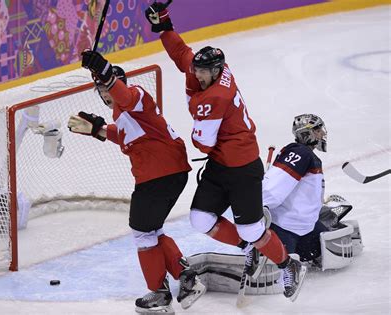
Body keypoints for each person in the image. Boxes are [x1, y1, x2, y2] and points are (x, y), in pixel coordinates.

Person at [144, 0, 306, 300]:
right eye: (198, 71)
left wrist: (193, 105)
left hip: (243, 168)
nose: (197, 75)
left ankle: (287, 265)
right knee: (200, 219)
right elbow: (183, 56)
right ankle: (249, 250)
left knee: (251, 230)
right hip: (221, 164)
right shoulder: (215, 71)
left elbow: (201, 143)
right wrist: (164, 24)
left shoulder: (215, 97)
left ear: (215, 72)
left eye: (202, 73)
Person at [68, 51, 206, 314]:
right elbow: (124, 135)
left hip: (158, 175)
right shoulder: (125, 117)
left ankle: (160, 295)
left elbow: (125, 96)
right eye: (101, 90)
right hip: (168, 173)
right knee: (151, 230)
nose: (105, 94)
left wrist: (105, 71)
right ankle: (187, 280)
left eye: (107, 88)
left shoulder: (136, 96)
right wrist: (97, 129)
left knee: (143, 232)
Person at [263, 114, 357, 267]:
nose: (323, 133)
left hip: (305, 227)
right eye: (318, 130)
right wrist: (262, 207)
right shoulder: (300, 153)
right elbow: (276, 185)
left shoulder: (306, 155)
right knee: (281, 269)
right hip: (285, 229)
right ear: (306, 134)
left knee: (334, 243)